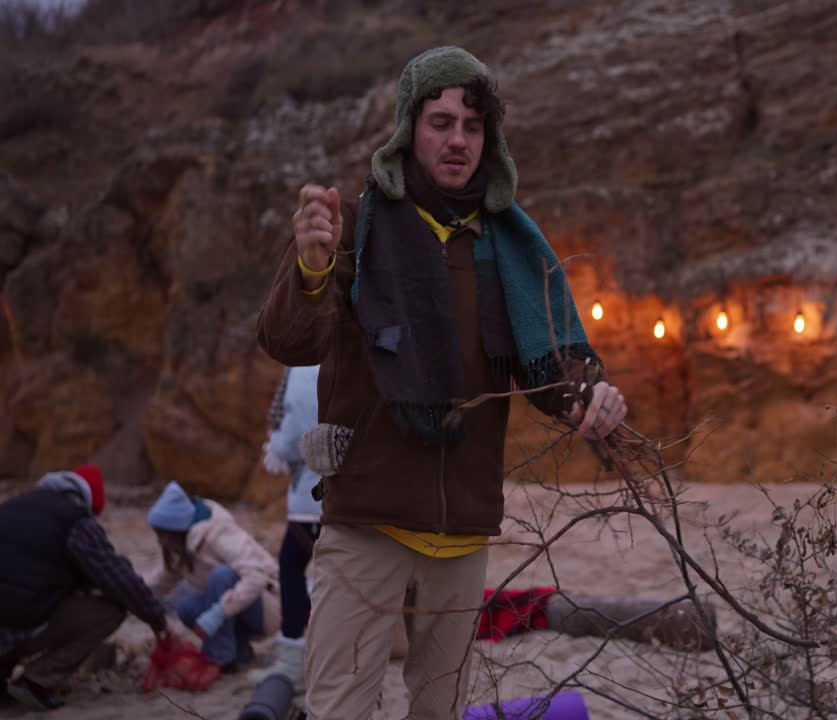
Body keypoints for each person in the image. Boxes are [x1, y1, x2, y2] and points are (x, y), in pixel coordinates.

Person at [256, 46, 628, 720]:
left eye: (473, 126)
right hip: (366, 518)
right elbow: (289, 340)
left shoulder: (510, 245)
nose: (458, 139)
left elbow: (553, 371)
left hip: (463, 531)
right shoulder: (358, 229)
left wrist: (589, 398)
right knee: (338, 708)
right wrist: (311, 266)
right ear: (407, 127)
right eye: (441, 121)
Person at [0, 465, 171, 711]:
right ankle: (36, 681)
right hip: (17, 623)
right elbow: (119, 580)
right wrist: (157, 619)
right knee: (111, 610)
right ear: (89, 503)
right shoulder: (73, 519)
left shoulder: (14, 506)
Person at [145, 481, 281, 672]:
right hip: (238, 608)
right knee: (186, 607)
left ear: (177, 529)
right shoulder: (182, 548)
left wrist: (216, 614)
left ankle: (219, 658)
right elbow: (160, 581)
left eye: (164, 534)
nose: (161, 541)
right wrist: (129, 593)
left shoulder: (218, 533)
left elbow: (256, 576)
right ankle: (239, 650)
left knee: (221, 576)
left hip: (269, 605)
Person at [248, 364, 322, 687]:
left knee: (291, 568)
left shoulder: (305, 368)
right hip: (350, 490)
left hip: (313, 495)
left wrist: (277, 445)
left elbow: (297, 431)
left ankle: (293, 661)